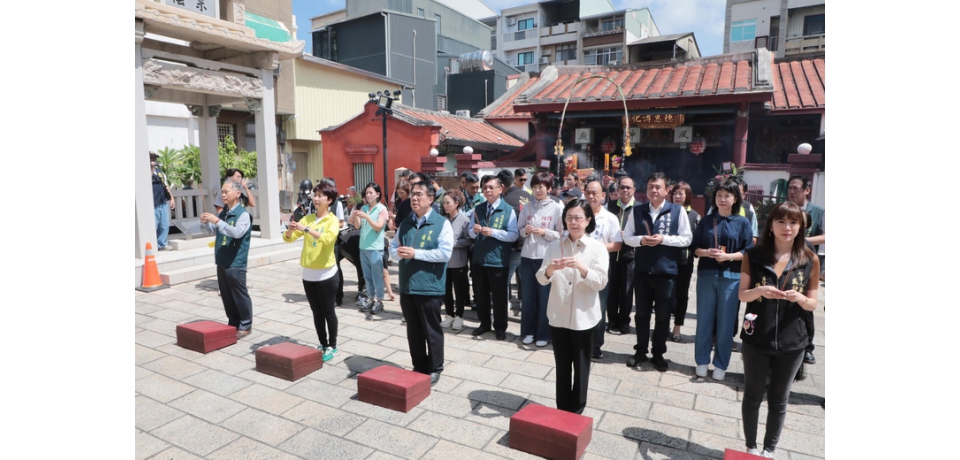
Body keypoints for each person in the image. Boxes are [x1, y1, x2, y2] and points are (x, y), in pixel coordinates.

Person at [738, 202, 820, 458]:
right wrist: (761, 291)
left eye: (794, 223)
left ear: (801, 227)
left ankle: (768, 451)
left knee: (779, 399)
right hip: (756, 337)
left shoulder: (810, 259)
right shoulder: (754, 255)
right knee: (752, 395)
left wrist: (800, 298)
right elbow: (742, 295)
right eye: (781, 222)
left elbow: (813, 302)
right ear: (770, 226)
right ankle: (751, 448)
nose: (787, 228)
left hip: (792, 341)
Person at [536, 199, 609, 414]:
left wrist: (582, 267)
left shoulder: (597, 248)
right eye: (569, 217)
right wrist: (549, 269)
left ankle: (577, 411)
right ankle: (561, 409)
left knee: (581, 367)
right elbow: (541, 279)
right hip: (558, 314)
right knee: (562, 366)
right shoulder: (554, 246)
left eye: (578, 218)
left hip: (584, 317)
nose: (573, 222)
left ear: (588, 220)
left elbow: (600, 282)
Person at [622, 172, 692, 372]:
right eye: (651, 186)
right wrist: (642, 240)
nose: (654, 190)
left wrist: (664, 239)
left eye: (658, 187)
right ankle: (640, 351)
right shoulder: (637, 211)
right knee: (642, 315)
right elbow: (627, 237)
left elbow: (686, 239)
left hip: (666, 272)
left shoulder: (677, 211)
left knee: (663, 316)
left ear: (666, 190)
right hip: (643, 271)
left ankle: (659, 353)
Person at [390, 180, 454, 385]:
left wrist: (416, 253)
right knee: (413, 329)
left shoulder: (441, 223)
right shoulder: (407, 222)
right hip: (408, 284)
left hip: (429, 286)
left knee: (431, 329)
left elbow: (445, 253)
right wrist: (398, 253)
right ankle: (419, 365)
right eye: (412, 195)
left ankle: (435, 367)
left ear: (430, 198)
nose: (414, 198)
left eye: (419, 194)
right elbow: (392, 247)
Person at [692, 180, 753, 381]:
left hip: (732, 277)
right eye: (719, 195)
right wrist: (706, 253)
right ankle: (701, 361)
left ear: (735, 198)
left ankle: (720, 364)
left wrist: (729, 257)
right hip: (707, 274)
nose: (723, 199)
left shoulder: (742, 222)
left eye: (727, 195)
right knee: (704, 320)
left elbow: (748, 252)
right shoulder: (706, 221)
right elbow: (695, 248)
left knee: (726, 323)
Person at [283, 182, 341, 362]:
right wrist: (290, 231)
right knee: (316, 312)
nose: (316, 199)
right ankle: (323, 344)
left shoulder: (332, 220)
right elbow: (290, 239)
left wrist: (306, 229)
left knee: (328, 311)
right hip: (308, 274)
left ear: (329, 200)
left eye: (320, 195)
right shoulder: (307, 218)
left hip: (326, 274)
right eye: (315, 195)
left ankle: (332, 345)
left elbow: (328, 239)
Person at [200, 179, 253, 338]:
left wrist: (217, 221)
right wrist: (205, 223)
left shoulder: (243, 214)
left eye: (226, 191)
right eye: (222, 192)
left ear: (237, 193)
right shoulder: (223, 213)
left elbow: (237, 233)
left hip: (236, 261)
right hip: (222, 259)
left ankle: (245, 324)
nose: (222, 195)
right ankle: (233, 322)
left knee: (239, 293)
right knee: (226, 294)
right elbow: (211, 231)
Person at [468, 175, 519, 340]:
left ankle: (500, 327)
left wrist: (493, 232)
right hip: (479, 259)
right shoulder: (478, 208)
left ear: (500, 188)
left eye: (491, 187)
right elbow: (470, 232)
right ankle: (484, 324)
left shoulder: (508, 210)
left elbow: (513, 235)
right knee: (480, 295)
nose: (487, 190)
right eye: (485, 188)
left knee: (499, 296)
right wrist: (474, 231)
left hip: (498, 260)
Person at [517, 172, 563, 347]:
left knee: (545, 297)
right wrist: (527, 231)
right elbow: (519, 230)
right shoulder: (527, 207)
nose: (537, 190)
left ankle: (544, 333)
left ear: (549, 188)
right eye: (535, 186)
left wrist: (544, 232)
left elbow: (562, 234)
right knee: (528, 297)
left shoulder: (557, 207)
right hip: (528, 257)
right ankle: (528, 331)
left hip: (546, 258)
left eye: (541, 186)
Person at [787, 175, 824, 366]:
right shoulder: (784, 210)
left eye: (796, 188)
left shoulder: (818, 212)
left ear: (807, 190)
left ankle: (808, 347)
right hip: (785, 263)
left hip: (807, 265)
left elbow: (826, 236)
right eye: (790, 188)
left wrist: (802, 240)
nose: (792, 192)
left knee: (807, 307)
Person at [583, 178, 622, 360]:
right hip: (579, 266)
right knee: (581, 304)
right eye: (588, 192)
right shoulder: (578, 214)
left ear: (603, 196)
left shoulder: (610, 218)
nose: (591, 196)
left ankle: (596, 344)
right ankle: (580, 340)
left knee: (599, 305)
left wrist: (595, 248)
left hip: (600, 268)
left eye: (595, 193)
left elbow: (617, 245)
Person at [669, 181, 701, 342]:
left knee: (681, 295)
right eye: (675, 193)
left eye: (681, 193)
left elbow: (697, 239)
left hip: (684, 262)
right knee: (665, 294)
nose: (678, 196)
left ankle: (677, 327)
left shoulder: (694, 216)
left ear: (688, 196)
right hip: (666, 260)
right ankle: (662, 325)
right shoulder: (666, 212)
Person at [351, 182, 389, 315]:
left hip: (375, 248)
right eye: (367, 193)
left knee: (377, 276)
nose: (368, 195)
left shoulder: (382, 209)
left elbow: (378, 227)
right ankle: (371, 299)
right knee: (367, 276)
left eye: (371, 193)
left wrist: (366, 216)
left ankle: (379, 301)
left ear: (378, 194)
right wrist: (355, 217)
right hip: (363, 248)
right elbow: (357, 226)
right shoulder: (364, 208)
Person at [606, 175, 638, 335]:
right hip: (611, 255)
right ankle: (612, 321)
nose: (625, 190)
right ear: (617, 190)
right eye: (622, 187)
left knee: (626, 291)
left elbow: (643, 233)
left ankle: (624, 322)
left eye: (628, 187)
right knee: (611, 289)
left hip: (629, 255)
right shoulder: (609, 206)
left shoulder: (639, 209)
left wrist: (629, 235)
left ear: (633, 190)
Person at [499, 169, 533, 314]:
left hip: (512, 246)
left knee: (505, 279)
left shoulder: (504, 201)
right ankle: (526, 305)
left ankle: (505, 304)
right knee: (525, 279)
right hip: (528, 244)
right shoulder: (528, 196)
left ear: (502, 185)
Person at [440, 189, 472, 331]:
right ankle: (449, 314)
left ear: (456, 203)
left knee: (459, 290)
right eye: (444, 203)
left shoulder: (464, 220)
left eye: (448, 203)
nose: (445, 206)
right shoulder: (442, 219)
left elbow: (470, 239)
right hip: (444, 261)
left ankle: (459, 315)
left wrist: (455, 243)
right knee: (446, 290)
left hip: (459, 261)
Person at [150, 152, 175, 251]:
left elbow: (166, 185)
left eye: (154, 159)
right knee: (154, 225)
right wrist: (150, 169)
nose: (153, 161)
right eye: (151, 159)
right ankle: (152, 244)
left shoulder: (160, 172)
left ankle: (162, 243)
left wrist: (171, 198)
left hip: (162, 202)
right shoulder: (143, 173)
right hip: (152, 204)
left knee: (164, 225)